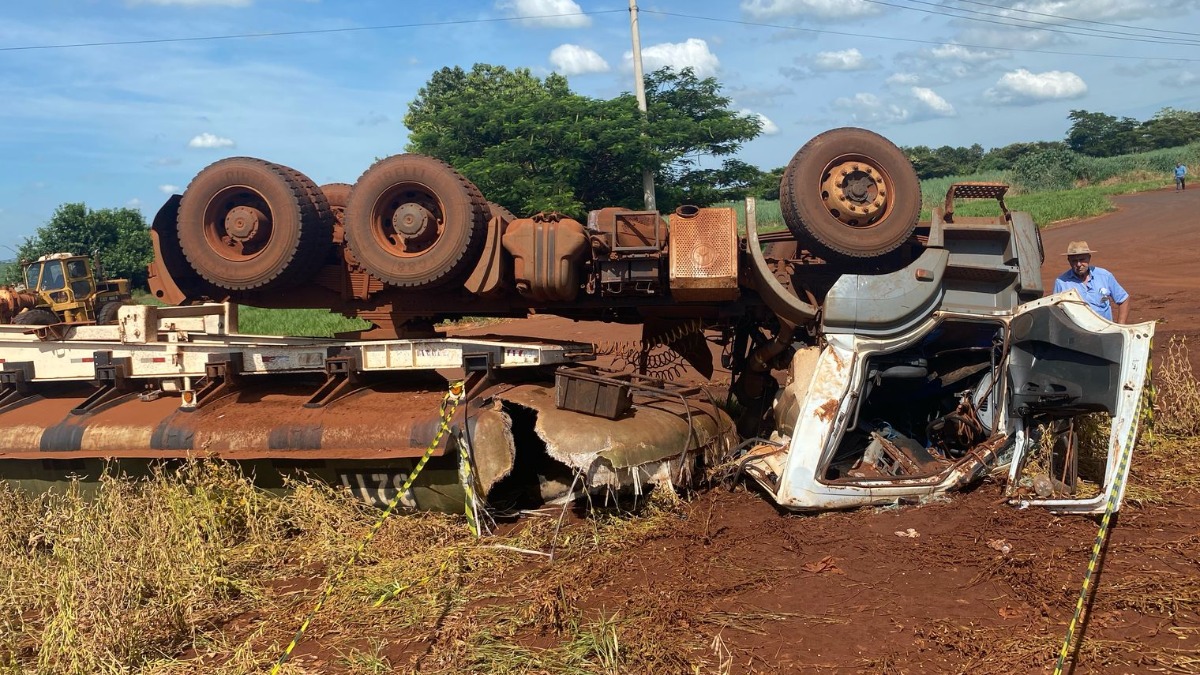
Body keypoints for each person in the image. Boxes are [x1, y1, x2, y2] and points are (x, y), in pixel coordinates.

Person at [1053, 241, 1130, 323]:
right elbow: (1055, 311)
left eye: (1082, 259)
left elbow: (1124, 300)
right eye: (1074, 261)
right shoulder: (1061, 282)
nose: (1079, 264)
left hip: (1105, 331)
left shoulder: (1104, 276)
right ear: (1069, 260)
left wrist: (1120, 327)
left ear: (1089, 258)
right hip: (1077, 333)